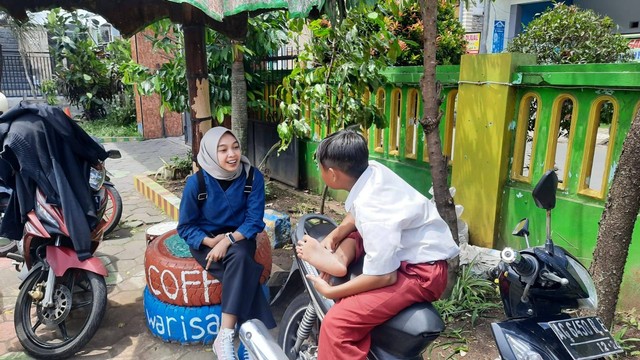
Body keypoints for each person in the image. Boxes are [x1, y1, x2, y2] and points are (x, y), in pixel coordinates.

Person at [296, 129, 460, 360]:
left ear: (332, 174)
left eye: (320, 167)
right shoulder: (372, 171)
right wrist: (335, 235)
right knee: (356, 234)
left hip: (420, 274)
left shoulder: (372, 210)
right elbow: (357, 219)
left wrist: (331, 290)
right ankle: (338, 260)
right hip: (404, 247)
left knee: (336, 325)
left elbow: (385, 277)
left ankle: (337, 262)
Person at [177, 127, 275, 360]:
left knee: (240, 257)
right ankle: (251, 340)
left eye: (235, 147)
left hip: (241, 237)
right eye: (223, 150)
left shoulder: (252, 177)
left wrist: (228, 240)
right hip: (206, 239)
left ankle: (225, 335)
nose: (232, 155)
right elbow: (185, 226)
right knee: (245, 269)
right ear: (211, 153)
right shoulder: (197, 183)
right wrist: (211, 241)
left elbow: (253, 221)